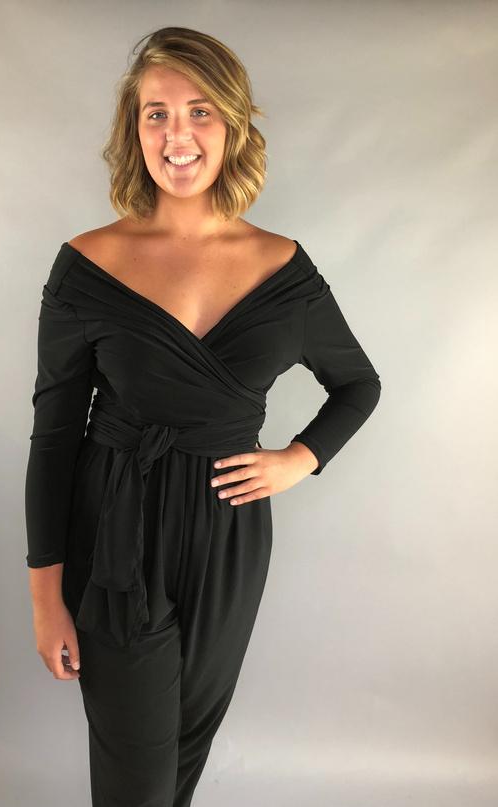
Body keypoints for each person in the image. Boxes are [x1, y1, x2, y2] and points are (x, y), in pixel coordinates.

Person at [24, 25, 381, 807]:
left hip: (229, 535)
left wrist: (298, 459)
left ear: (232, 126)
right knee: (136, 776)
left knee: (182, 750)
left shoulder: (282, 268)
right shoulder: (87, 264)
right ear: (133, 128)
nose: (175, 135)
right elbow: (53, 439)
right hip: (116, 530)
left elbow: (357, 384)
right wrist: (45, 598)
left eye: (199, 112)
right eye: (155, 113)